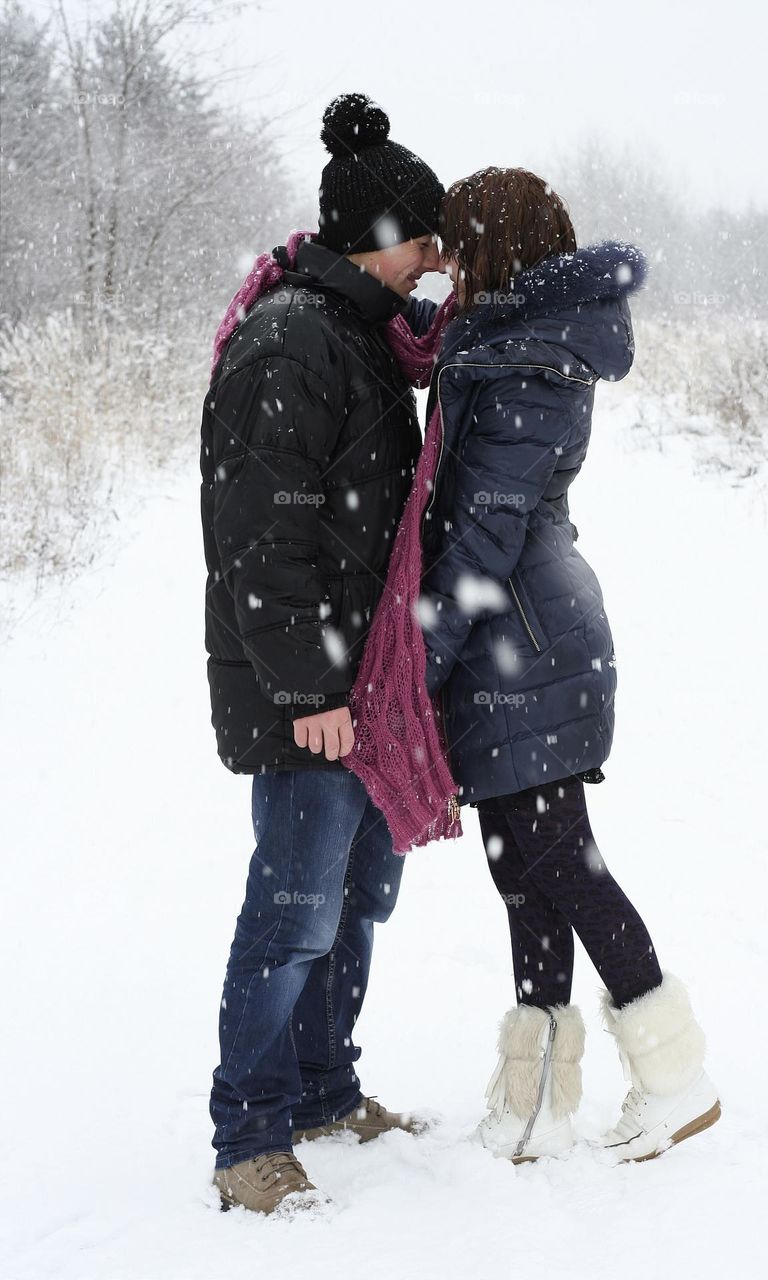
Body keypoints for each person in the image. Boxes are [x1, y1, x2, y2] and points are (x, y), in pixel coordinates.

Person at [417, 167, 721, 1163]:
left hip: (526, 643)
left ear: (495, 248)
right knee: (523, 867)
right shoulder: (508, 348)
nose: (449, 264)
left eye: (461, 245)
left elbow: (482, 538)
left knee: (560, 860)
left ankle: (674, 1077)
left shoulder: (529, 365)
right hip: (523, 633)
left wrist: (419, 657)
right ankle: (539, 1096)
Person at [199, 93, 444, 1214]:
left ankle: (320, 1085)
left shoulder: (353, 337)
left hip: (361, 689)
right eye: (424, 243)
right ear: (379, 239)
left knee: (354, 898)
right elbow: (262, 531)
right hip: (312, 692)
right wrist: (307, 686)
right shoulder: (292, 339)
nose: (432, 266)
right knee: (294, 908)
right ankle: (248, 1133)